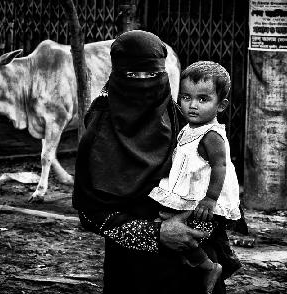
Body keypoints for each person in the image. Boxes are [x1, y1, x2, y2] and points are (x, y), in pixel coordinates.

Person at [72, 30, 241, 294]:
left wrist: (198, 224)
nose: (144, 84)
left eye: (151, 75)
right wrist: (156, 233)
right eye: (132, 76)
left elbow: (217, 183)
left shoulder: (183, 120)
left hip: (193, 265)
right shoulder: (98, 133)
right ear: (116, 76)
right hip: (133, 270)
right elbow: (89, 213)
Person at [148, 60, 242, 293]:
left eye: (203, 99)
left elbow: (221, 167)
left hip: (202, 202)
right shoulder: (189, 128)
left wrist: (209, 199)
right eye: (186, 97)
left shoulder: (211, 136)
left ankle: (210, 267)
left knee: (187, 235)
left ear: (221, 105)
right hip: (186, 195)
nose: (192, 105)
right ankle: (200, 264)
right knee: (164, 223)